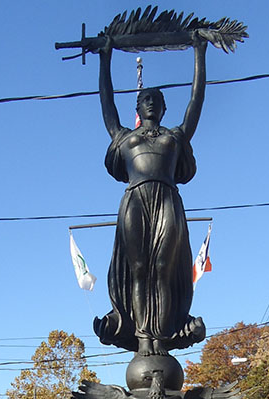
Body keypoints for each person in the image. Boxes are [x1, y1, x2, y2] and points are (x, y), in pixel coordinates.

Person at [92, 34, 207, 356]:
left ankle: (164, 336)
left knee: (163, 268)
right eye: (145, 99)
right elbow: (106, 103)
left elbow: (196, 102)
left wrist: (200, 52)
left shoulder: (175, 136)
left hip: (167, 198)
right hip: (135, 199)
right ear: (138, 107)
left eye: (157, 99)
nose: (151, 101)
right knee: (139, 267)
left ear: (165, 107)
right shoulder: (124, 137)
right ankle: (144, 339)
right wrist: (105, 58)